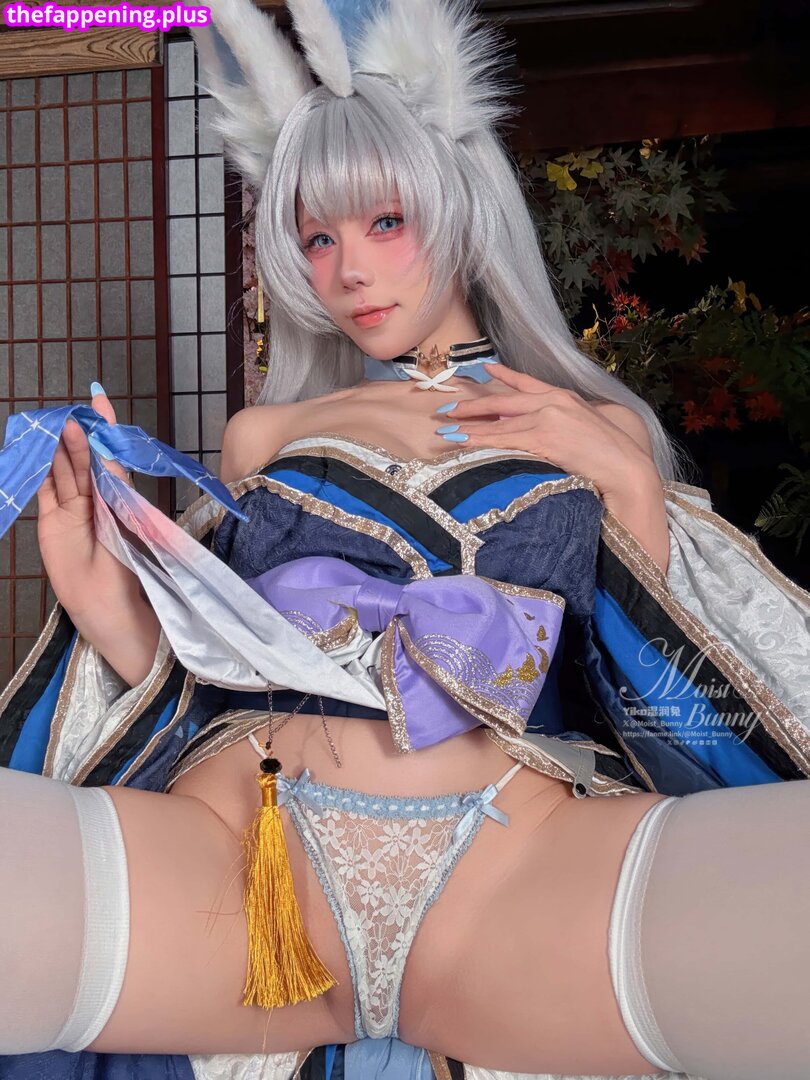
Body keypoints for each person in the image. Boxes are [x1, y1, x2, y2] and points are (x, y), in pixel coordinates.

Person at [1, 1, 809, 1079]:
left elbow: (656, 694)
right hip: (240, 872)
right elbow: (221, 684)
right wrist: (113, 615)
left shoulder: (587, 430)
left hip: (515, 889)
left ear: (458, 203)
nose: (348, 271)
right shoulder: (264, 437)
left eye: (385, 222)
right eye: (316, 238)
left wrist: (628, 485)